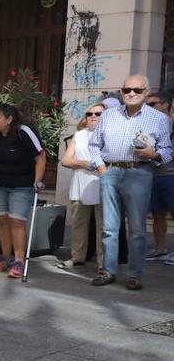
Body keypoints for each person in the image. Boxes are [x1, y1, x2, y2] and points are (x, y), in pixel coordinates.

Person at [87, 74, 174, 289]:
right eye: (127, 90)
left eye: (136, 90)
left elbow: (167, 151)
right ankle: (107, 271)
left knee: (137, 228)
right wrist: (102, 169)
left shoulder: (159, 119)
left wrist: (153, 155)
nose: (131, 94)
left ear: (147, 91)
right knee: (109, 227)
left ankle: (134, 274)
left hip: (140, 172)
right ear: (121, 91)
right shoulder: (108, 116)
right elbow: (94, 145)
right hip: (111, 171)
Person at [0, 102, 45, 278]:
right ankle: (5, 258)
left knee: (17, 222)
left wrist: (37, 181)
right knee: (2, 221)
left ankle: (18, 260)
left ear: (9, 119)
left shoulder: (24, 132)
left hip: (22, 185)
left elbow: (40, 156)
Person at [60, 103, 105, 271]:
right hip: (80, 182)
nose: (93, 116)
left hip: (102, 183)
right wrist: (80, 162)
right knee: (78, 223)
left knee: (103, 226)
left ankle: (103, 263)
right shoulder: (79, 135)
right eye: (89, 113)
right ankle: (77, 257)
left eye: (98, 114)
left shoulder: (110, 134)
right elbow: (65, 160)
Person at [143, 90, 173, 261]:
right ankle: (160, 248)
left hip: (171, 175)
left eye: (152, 104)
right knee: (157, 214)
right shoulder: (151, 126)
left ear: (165, 105)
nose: (148, 108)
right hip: (154, 175)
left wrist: (155, 154)